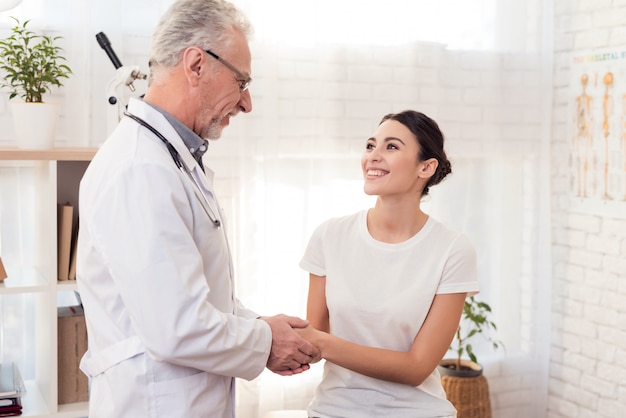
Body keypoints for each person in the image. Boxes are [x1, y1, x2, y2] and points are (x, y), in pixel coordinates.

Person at [76, 1, 319, 417]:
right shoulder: (140, 168)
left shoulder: (170, 159)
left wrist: (259, 324)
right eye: (241, 82)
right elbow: (176, 328)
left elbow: (196, 296)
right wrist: (266, 341)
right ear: (196, 65)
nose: (247, 103)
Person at [296, 110, 479, 418]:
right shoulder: (329, 236)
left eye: (391, 147)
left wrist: (321, 343)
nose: (373, 157)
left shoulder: (452, 249)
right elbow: (315, 339)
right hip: (333, 410)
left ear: (426, 167)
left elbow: (416, 368)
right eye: (370, 146)